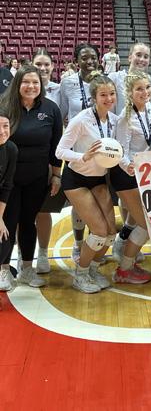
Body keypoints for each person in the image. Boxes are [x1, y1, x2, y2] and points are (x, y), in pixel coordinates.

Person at [55, 73, 119, 293]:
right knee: (99, 231)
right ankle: (80, 274)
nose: (108, 99)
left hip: (99, 179)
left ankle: (92, 269)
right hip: (76, 179)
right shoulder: (81, 120)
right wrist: (82, 156)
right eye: (103, 95)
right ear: (94, 97)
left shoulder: (114, 120)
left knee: (110, 232)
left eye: (112, 94)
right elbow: (60, 151)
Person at [0, 66, 63, 288]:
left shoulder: (51, 109)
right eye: (26, 82)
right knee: (7, 222)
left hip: (37, 178)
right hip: (7, 179)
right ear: (17, 83)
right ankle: (3, 270)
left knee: (28, 221)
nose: (31, 86)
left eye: (35, 82)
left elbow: (56, 146)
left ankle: (27, 269)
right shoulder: (4, 106)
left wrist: (56, 176)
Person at [109, 70, 151, 284]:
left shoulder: (148, 109)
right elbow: (121, 153)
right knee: (146, 224)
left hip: (142, 173)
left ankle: (125, 256)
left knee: (142, 221)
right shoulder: (125, 119)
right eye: (139, 89)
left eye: (147, 87)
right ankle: (123, 270)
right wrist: (130, 167)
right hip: (126, 176)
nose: (145, 92)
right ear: (129, 92)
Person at [59, 43, 101, 263]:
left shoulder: (103, 81)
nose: (89, 61)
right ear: (76, 62)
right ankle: (78, 244)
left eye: (93, 57)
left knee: (98, 201)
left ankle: (95, 244)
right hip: (78, 153)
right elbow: (62, 114)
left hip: (101, 153)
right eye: (84, 58)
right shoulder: (67, 83)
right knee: (79, 202)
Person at [32, 48, 63, 274]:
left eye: (46, 64)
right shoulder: (20, 90)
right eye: (38, 64)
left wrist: (56, 171)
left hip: (50, 156)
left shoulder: (60, 90)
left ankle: (43, 253)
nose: (43, 68)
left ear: (53, 66)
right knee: (22, 213)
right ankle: (24, 256)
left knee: (43, 210)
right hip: (26, 158)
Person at [0, 112, 18, 291]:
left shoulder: (11, 149)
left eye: (5, 126)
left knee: (4, 239)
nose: (2, 131)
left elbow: (7, 186)